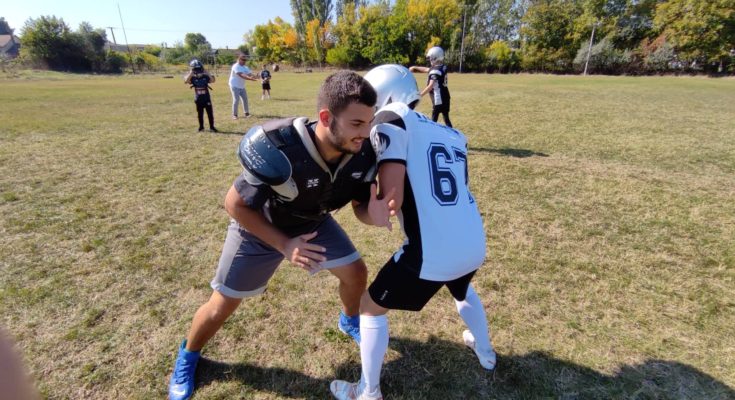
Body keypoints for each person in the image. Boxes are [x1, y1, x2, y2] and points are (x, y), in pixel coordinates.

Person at [168, 71, 391, 400]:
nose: (365, 133)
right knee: (222, 305)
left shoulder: (363, 151)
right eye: (357, 124)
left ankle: (349, 319)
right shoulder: (279, 145)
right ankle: (189, 355)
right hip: (260, 226)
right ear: (326, 118)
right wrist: (285, 245)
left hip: (312, 221)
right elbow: (235, 204)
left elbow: (359, 206)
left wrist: (371, 215)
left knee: (356, 273)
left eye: (369, 122)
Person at [330, 65, 496, 400]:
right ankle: (486, 352)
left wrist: (361, 194)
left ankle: (368, 391)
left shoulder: (390, 118)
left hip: (431, 249)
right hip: (472, 238)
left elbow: (393, 197)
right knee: (462, 289)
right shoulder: (453, 134)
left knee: (369, 308)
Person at [409, 46, 452, 127]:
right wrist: (415, 67)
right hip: (446, 97)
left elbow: (430, 86)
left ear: (435, 57)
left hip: (438, 100)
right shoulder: (442, 67)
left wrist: (419, 95)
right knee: (446, 119)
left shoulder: (435, 71)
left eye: (431, 57)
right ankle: (454, 135)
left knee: (433, 122)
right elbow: (427, 69)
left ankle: (433, 136)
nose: (430, 59)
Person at [184, 59, 218, 132]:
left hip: (206, 98)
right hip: (198, 98)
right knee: (200, 113)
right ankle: (201, 127)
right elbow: (186, 81)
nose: (198, 70)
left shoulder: (205, 76)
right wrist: (191, 73)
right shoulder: (192, 77)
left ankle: (212, 127)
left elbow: (212, 80)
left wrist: (207, 72)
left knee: (210, 113)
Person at [229, 54, 259, 119]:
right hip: (234, 85)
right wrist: (250, 79)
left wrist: (257, 76)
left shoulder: (245, 67)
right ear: (239, 59)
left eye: (245, 60)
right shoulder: (235, 66)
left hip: (241, 86)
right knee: (236, 100)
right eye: (243, 60)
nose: (244, 61)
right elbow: (241, 75)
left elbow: (250, 74)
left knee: (245, 99)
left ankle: (246, 113)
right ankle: (234, 115)